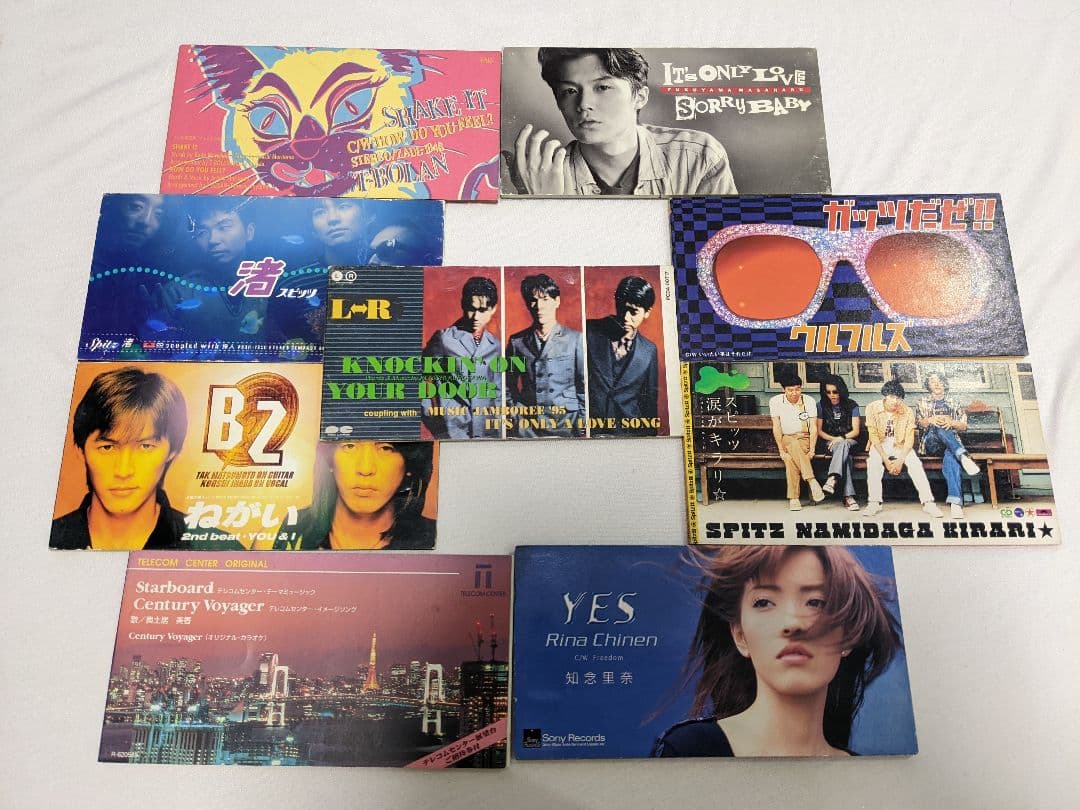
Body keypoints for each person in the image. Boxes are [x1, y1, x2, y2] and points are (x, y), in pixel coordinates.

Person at [652, 546, 902, 757]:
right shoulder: (689, 750)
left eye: (816, 602)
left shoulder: (867, 775)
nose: (792, 623)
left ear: (849, 634)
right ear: (740, 635)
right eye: (764, 602)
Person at [503, 48, 738, 196]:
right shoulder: (540, 175)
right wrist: (546, 203)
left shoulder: (698, 157)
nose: (584, 104)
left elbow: (717, 246)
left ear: (640, 97)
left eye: (603, 87)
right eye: (570, 91)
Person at [51, 367, 189, 550]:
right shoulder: (47, 539)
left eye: (145, 446)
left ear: (173, 451)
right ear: (81, 450)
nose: (123, 471)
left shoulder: (211, 546)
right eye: (107, 448)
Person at [280, 441, 435, 550]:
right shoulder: (294, 526)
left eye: (386, 448)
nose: (365, 469)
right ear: (330, 459)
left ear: (410, 464)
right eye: (350, 446)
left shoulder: (434, 537)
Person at [421, 276, 502, 439]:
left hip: (488, 431)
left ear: (493, 309)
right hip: (453, 429)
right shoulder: (444, 339)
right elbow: (422, 379)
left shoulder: (495, 345)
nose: (475, 317)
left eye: (482, 310)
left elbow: (499, 389)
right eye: (471, 309)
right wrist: (434, 420)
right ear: (463, 304)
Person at [505, 273, 586, 437]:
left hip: (567, 424)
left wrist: (582, 422)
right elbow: (507, 385)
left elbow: (584, 387)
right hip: (528, 427)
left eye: (545, 299)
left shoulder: (575, 339)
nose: (539, 306)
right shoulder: (517, 342)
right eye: (533, 300)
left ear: (557, 301)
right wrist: (515, 416)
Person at [585, 275, 659, 436]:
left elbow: (649, 404)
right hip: (590, 430)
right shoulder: (588, 330)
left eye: (633, 312)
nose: (625, 317)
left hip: (629, 433)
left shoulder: (649, 350)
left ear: (647, 312)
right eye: (622, 308)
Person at [862, 380, 944, 518]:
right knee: (873, 462)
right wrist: (886, 459)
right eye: (892, 397)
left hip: (900, 445)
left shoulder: (907, 411)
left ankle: (928, 502)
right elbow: (873, 435)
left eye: (899, 398)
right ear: (885, 396)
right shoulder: (872, 408)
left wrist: (900, 461)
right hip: (880, 444)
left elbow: (909, 439)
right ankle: (874, 502)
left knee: (915, 463)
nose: (895, 401)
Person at [915, 372, 981, 519]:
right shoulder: (922, 402)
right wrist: (931, 420)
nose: (937, 384)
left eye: (939, 381)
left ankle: (955, 504)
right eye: (932, 381)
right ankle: (962, 456)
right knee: (938, 425)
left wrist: (951, 422)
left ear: (944, 384)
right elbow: (919, 423)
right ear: (928, 385)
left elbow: (964, 425)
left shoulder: (954, 402)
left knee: (951, 456)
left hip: (950, 445)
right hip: (931, 443)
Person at [769, 374, 825, 511]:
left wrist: (812, 449)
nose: (795, 393)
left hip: (804, 439)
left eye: (798, 389)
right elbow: (777, 427)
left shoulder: (809, 401)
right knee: (791, 443)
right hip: (786, 439)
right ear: (783, 389)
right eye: (790, 390)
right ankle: (811, 480)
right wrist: (781, 451)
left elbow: (813, 428)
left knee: (790, 459)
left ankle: (794, 498)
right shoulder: (775, 401)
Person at [816, 374, 862, 511]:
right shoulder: (821, 406)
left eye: (835, 392)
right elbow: (820, 431)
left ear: (841, 391)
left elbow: (856, 431)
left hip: (850, 440)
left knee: (844, 444)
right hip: (830, 443)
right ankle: (849, 497)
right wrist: (834, 440)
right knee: (846, 458)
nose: (832, 395)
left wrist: (841, 438)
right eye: (828, 392)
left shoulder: (852, 405)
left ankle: (832, 478)